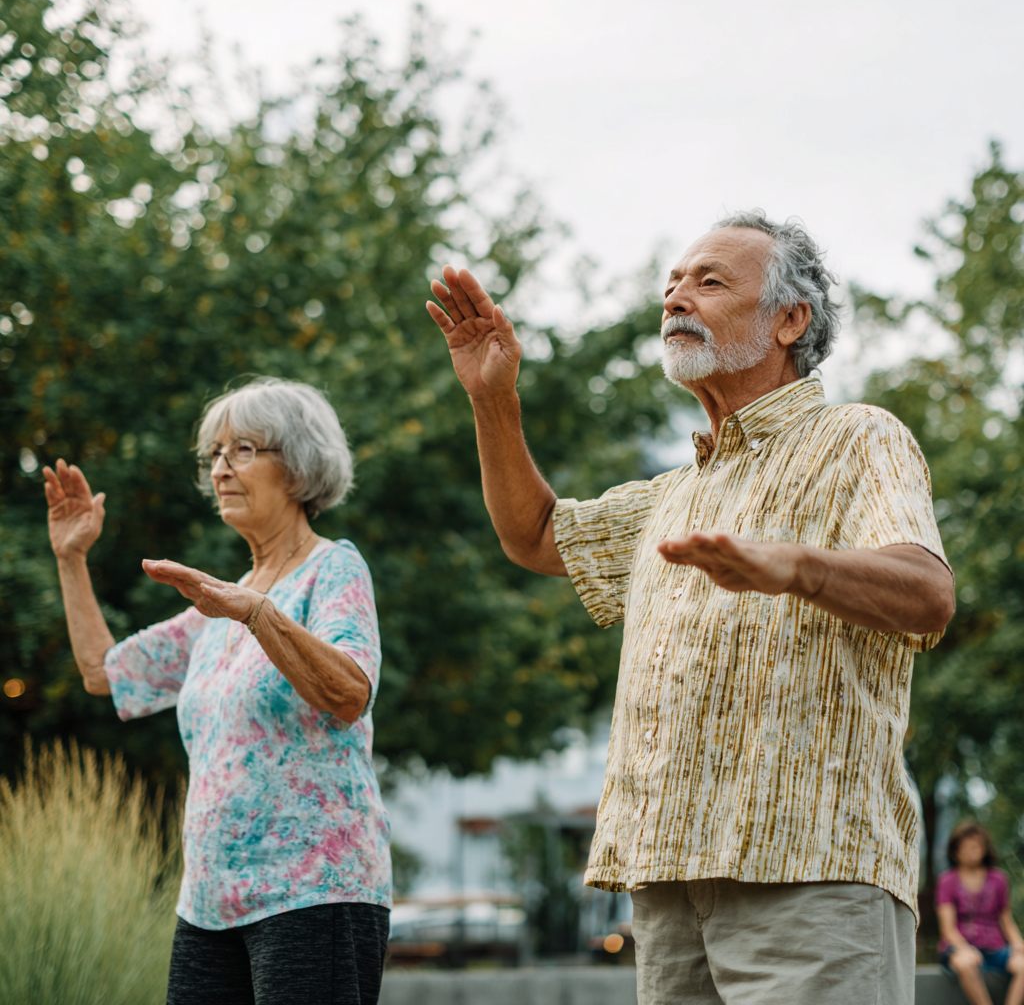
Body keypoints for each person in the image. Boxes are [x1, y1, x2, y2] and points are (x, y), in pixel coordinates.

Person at [425, 210, 956, 1005]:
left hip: (809, 872)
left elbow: (927, 593)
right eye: (671, 282)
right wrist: (493, 399)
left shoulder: (858, 439)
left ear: (789, 320)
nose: (676, 297)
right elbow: (536, 536)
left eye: (709, 281)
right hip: (667, 882)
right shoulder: (672, 495)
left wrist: (796, 566)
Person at [43, 377, 391, 1005]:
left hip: (314, 893)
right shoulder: (220, 605)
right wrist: (72, 559)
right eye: (214, 455)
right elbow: (105, 673)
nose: (220, 470)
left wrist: (259, 613)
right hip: (208, 905)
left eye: (243, 450)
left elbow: (348, 692)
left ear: (300, 463)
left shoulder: (332, 568)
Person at [937, 821, 1024, 1005]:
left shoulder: (999, 879)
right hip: (960, 946)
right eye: (965, 847)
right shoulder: (947, 881)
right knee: (965, 963)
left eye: (975, 846)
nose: (971, 851)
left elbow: (1006, 919)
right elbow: (948, 928)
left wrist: (1018, 944)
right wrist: (965, 948)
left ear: (984, 848)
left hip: (996, 947)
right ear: (955, 851)